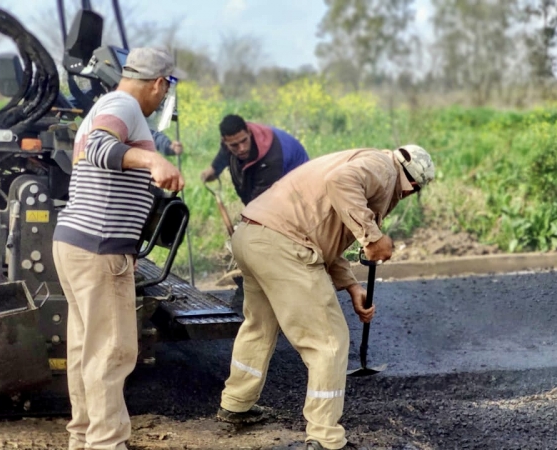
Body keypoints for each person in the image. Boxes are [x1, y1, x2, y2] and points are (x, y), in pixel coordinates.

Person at [215, 145, 436, 450]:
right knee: (329, 341)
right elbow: (340, 182)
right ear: (411, 184)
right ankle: (324, 438)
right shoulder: (383, 168)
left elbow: (325, 236)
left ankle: (235, 404)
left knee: (260, 326)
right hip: (284, 245)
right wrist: (373, 236)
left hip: (253, 236)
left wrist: (351, 286)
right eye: (412, 192)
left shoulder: (362, 161)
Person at [52, 47, 185, 450]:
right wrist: (153, 163)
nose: (162, 99)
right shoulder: (123, 105)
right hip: (99, 247)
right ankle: (106, 444)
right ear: (159, 83)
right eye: (165, 91)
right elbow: (99, 148)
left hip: (75, 244)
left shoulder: (103, 106)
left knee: (85, 349)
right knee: (113, 351)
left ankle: (84, 437)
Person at [200, 114, 309, 205]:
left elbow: (260, 203)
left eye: (244, 141)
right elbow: (225, 152)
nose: (241, 148)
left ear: (249, 132)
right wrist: (214, 169)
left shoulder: (271, 157)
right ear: (224, 141)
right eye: (234, 145)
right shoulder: (232, 141)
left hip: (298, 186)